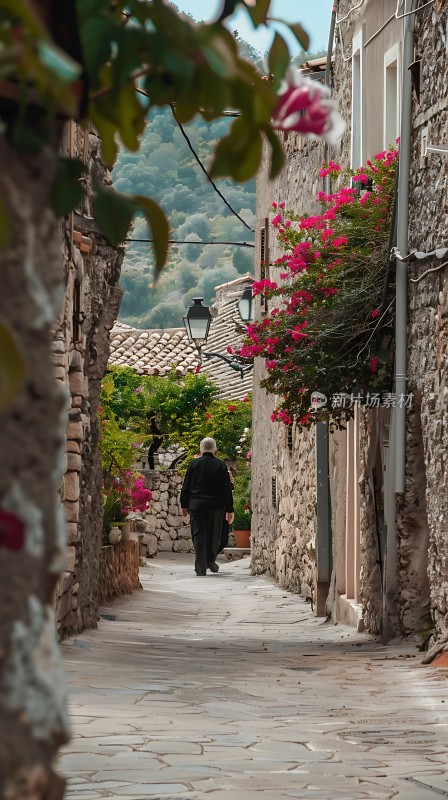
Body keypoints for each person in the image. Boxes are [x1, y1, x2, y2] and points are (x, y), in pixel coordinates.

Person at [180, 437, 234, 576]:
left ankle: (200, 568)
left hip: (197, 505)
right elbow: (226, 489)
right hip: (216, 506)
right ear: (214, 449)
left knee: (199, 534)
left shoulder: (193, 464)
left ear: (201, 449)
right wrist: (229, 509)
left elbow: (186, 487)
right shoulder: (221, 465)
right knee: (214, 536)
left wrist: (184, 505)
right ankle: (210, 560)